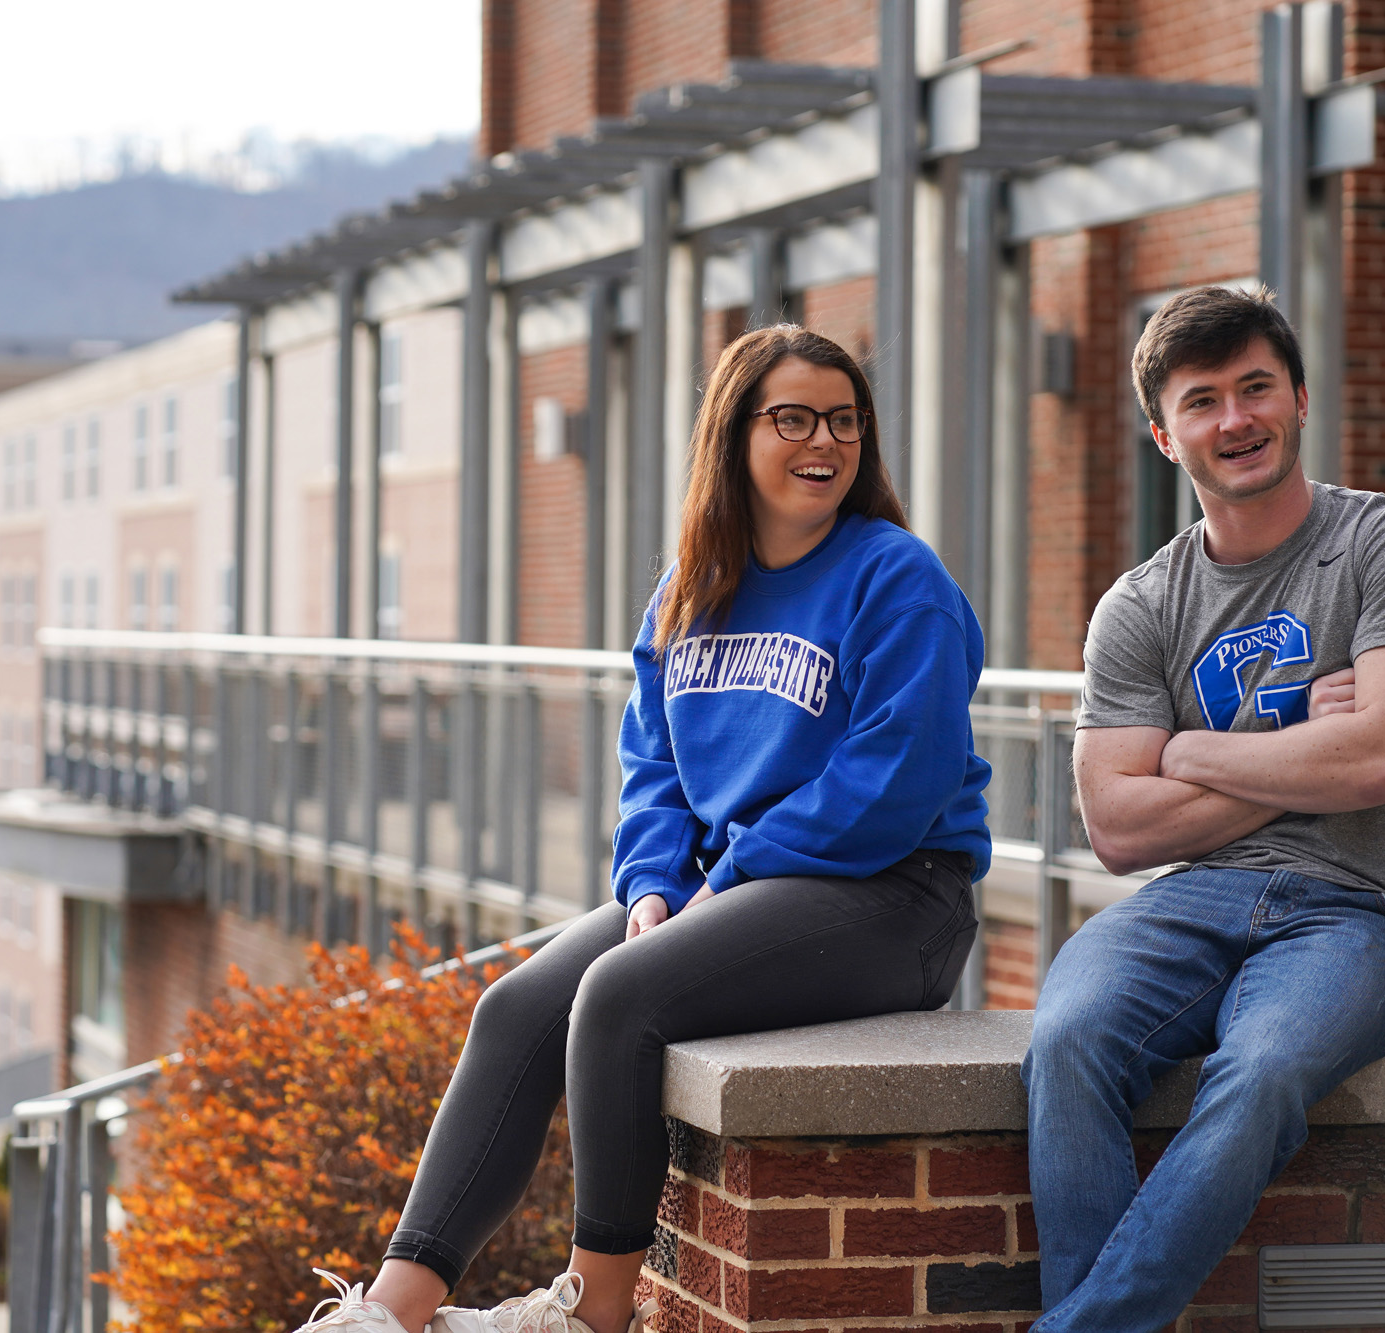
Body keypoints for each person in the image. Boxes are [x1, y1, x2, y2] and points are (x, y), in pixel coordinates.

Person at [296, 325, 993, 1333]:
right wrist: (654, 886)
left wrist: (730, 876)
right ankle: (391, 1310)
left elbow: (894, 780)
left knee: (620, 996)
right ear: (732, 435)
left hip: (892, 895)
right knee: (519, 1004)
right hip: (727, 885)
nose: (823, 442)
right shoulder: (687, 589)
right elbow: (652, 771)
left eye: (843, 421)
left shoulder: (895, 579)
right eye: (790, 418)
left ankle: (596, 1310)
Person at [1021, 285, 1385, 1331]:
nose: (1235, 419)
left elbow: (1381, 764)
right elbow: (1120, 829)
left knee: (1260, 1068)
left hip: (1360, 912)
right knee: (1066, 1038)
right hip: (1190, 899)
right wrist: (1295, 746)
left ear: (1299, 397)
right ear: (1162, 435)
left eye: (1255, 386)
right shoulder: (1139, 605)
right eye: (1202, 400)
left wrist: (1184, 750)